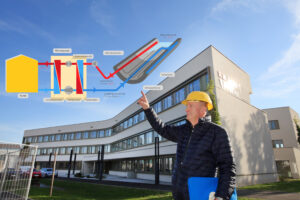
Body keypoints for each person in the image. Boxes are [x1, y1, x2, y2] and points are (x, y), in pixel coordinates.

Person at [138, 90, 236, 200]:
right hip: (179, 193)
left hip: (201, 194)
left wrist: (222, 196)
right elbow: (162, 128)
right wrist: (147, 109)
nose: (186, 109)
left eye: (190, 106)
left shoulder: (217, 132)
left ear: (203, 110)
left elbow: (227, 167)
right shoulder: (183, 131)